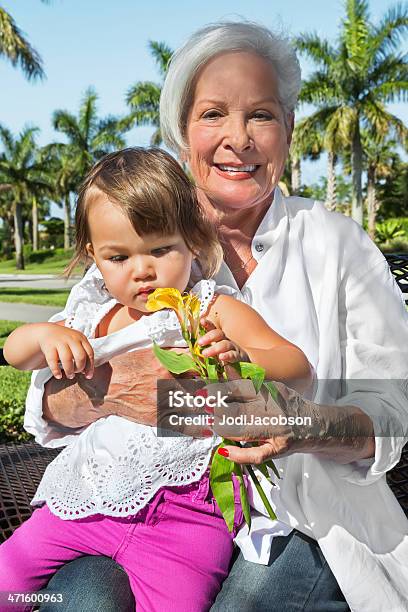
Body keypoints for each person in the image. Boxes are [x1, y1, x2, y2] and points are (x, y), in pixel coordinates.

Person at [25, 20, 408, 612]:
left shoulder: (338, 244)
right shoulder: (136, 241)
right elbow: (49, 399)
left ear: (287, 130)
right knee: (75, 601)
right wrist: (137, 393)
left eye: (261, 114)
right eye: (212, 114)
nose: (238, 137)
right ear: (182, 131)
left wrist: (299, 426)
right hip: (141, 513)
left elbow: (392, 413)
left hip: (307, 516)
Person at [1, 147, 314, 612]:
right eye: (118, 256)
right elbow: (15, 354)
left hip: (187, 519)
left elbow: (296, 365)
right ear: (94, 257)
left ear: (191, 241)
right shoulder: (90, 316)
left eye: (161, 249)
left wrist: (244, 355)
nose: (142, 270)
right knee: (10, 582)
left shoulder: (211, 309)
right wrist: (42, 335)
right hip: (86, 498)